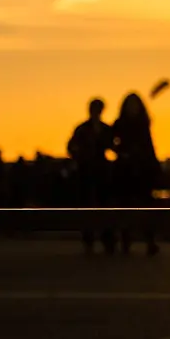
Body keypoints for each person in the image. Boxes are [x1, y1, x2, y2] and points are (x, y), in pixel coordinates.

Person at [111, 92, 162, 256]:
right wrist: (122, 153)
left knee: (146, 207)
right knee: (125, 206)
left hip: (142, 170)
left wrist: (154, 167)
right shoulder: (120, 124)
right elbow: (109, 141)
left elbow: (149, 146)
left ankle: (150, 240)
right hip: (125, 171)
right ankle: (126, 240)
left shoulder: (143, 124)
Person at [67, 98, 115, 254]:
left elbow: (113, 146)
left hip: (101, 171)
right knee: (87, 206)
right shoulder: (83, 129)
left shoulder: (104, 129)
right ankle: (89, 239)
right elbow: (70, 147)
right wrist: (79, 157)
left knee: (104, 206)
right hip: (86, 170)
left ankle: (106, 239)